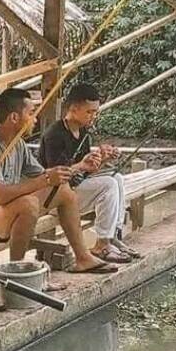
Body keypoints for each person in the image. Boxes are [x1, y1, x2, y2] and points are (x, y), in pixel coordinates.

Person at [0, 88, 117, 274]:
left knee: (63, 190)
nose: (35, 119)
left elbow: (46, 175)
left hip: (10, 211)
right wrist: (46, 179)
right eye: (31, 113)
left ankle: (83, 258)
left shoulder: (18, 144)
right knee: (28, 203)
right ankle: (18, 270)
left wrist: (81, 166)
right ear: (14, 117)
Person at [39, 83, 139, 262]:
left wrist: (103, 159)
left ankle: (112, 236)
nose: (94, 116)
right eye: (89, 112)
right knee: (108, 184)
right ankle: (101, 245)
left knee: (116, 177)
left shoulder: (83, 131)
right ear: (74, 109)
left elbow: (85, 172)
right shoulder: (54, 134)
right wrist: (82, 165)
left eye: (95, 112)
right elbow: (56, 176)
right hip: (54, 199)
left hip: (74, 190)